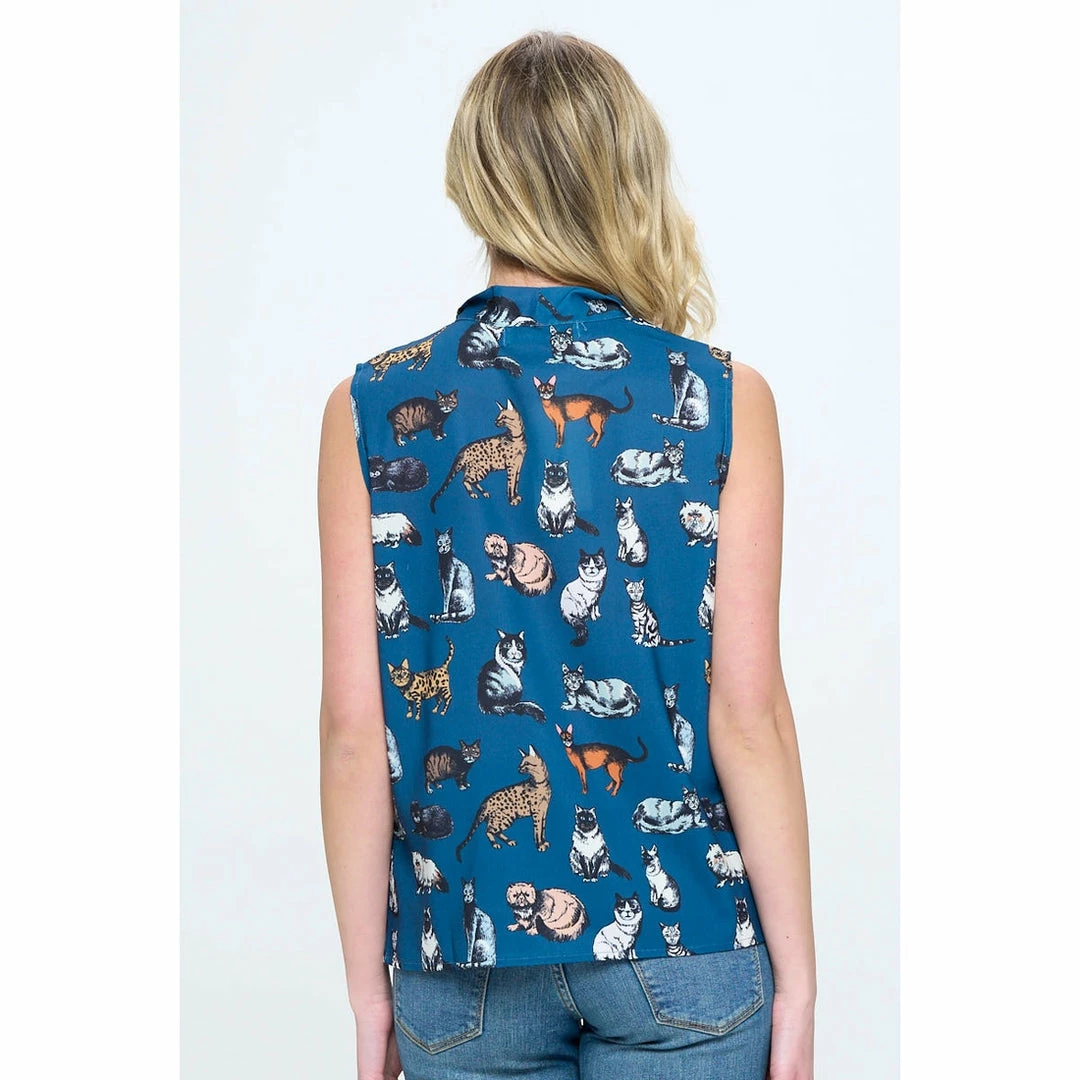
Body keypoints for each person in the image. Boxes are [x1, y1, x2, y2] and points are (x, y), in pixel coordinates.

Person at [318, 30, 815, 1080]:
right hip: (683, 943)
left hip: (459, 955)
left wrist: (369, 994)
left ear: (474, 180)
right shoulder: (722, 399)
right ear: (624, 172)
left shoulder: (371, 406)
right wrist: (801, 982)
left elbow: (356, 732)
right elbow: (749, 715)